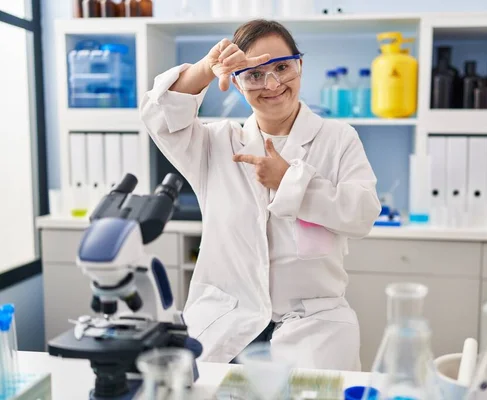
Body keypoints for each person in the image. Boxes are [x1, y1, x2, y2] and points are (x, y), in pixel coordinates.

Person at [140, 19, 381, 371]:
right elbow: (160, 117)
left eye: (283, 67)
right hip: (227, 320)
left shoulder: (338, 138)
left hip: (313, 322)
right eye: (253, 74)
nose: (272, 83)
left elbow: (362, 214)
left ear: (300, 65)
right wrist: (208, 67)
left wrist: (291, 182)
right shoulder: (216, 143)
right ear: (236, 83)